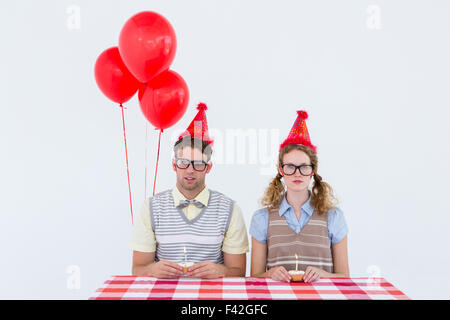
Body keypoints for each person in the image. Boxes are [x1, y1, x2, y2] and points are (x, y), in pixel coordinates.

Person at [130, 103, 249, 279]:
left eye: (198, 164)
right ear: (174, 165)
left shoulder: (229, 209)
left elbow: (238, 272)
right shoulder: (151, 207)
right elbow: (138, 269)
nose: (190, 170)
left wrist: (221, 271)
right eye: (184, 162)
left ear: (208, 168)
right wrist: (151, 270)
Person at [250, 110, 349, 282]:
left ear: (312, 171)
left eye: (304, 167)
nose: (297, 174)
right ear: (281, 170)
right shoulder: (262, 218)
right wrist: (270, 273)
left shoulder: (333, 217)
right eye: (290, 167)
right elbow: (255, 277)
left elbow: (345, 277)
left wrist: (322, 274)